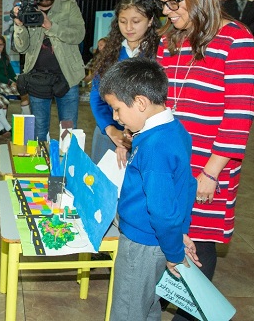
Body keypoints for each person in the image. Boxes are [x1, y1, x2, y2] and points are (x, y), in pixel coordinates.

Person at [156, 0, 254, 319]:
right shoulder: (169, 40)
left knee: (198, 242)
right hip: (167, 161)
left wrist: (213, 172)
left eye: (175, 3)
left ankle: (189, 315)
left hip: (207, 167)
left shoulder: (238, 41)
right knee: (168, 235)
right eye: (164, 4)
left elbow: (238, 117)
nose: (168, 13)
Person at [98, 57, 198, 321]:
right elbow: (187, 186)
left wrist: (175, 252)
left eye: (117, 109)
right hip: (158, 240)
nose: (116, 118)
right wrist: (182, 232)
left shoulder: (154, 147)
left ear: (141, 102)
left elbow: (162, 210)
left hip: (142, 242)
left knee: (129, 310)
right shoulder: (175, 130)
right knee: (147, 305)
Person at [12, 0, 86, 141]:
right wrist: (19, 25)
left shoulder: (69, 6)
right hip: (38, 79)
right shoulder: (28, 9)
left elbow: (79, 35)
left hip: (68, 77)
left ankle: (65, 166)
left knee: (68, 131)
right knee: (39, 131)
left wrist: (49, 25)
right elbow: (21, 48)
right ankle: (41, 166)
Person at [89, 0, 160, 165]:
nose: (128, 27)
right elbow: (96, 97)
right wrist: (111, 129)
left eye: (136, 21)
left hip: (145, 137)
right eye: (123, 21)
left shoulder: (158, 55)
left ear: (150, 21)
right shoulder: (110, 54)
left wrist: (131, 134)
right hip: (108, 133)